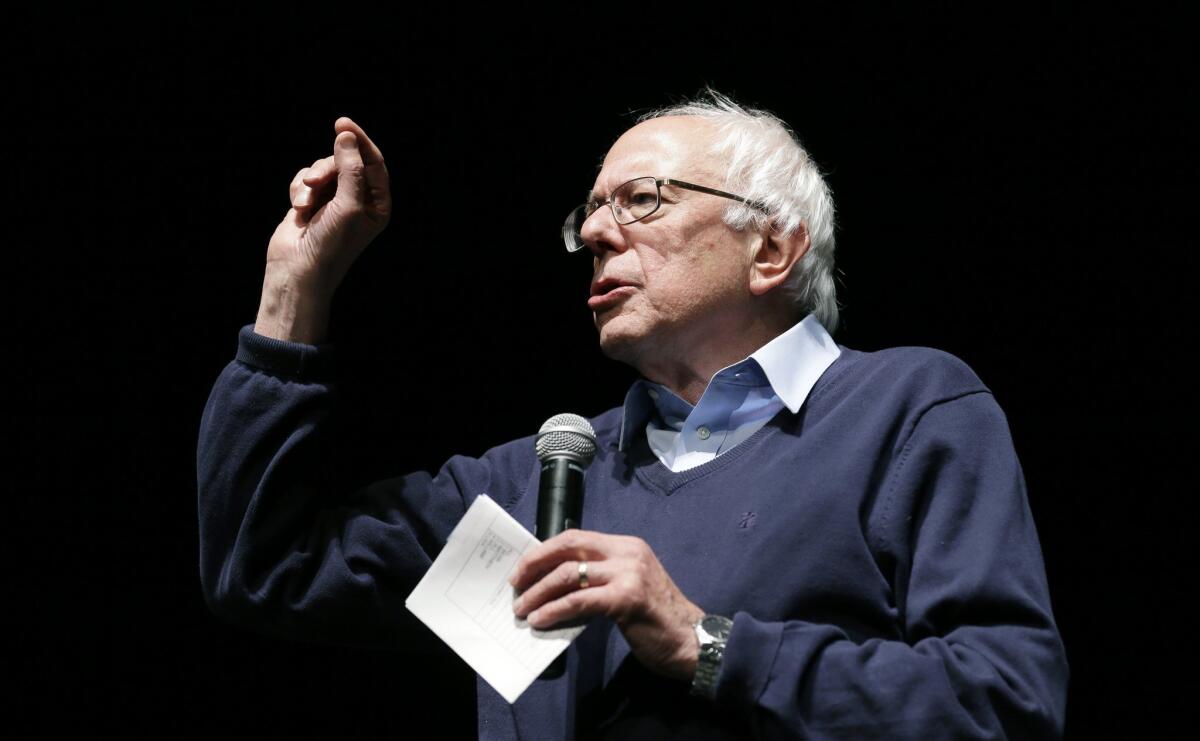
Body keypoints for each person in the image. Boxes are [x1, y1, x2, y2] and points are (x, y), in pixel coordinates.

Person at [198, 92, 1068, 739]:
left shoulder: (904, 411)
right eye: (593, 215)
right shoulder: (541, 478)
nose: (602, 234)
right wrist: (294, 285)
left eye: (643, 199)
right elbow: (265, 565)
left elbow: (1006, 700)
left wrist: (704, 642)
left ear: (772, 245)